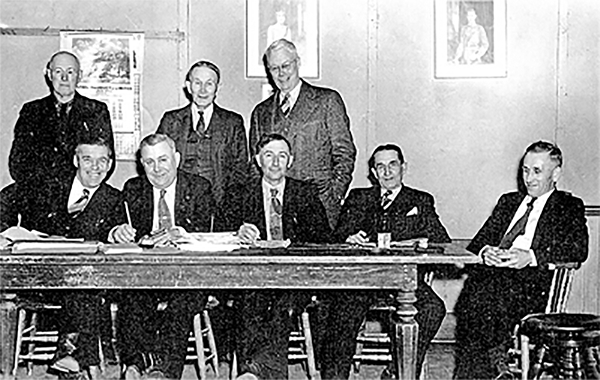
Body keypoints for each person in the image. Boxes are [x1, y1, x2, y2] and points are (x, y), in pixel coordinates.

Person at [453, 141, 589, 379]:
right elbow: (477, 242)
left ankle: (494, 365)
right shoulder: (508, 202)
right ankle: (494, 366)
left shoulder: (568, 206)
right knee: (478, 293)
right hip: (493, 279)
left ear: (555, 173)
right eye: (525, 170)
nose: (529, 178)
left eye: (537, 171)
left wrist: (531, 257)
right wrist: (486, 252)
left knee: (482, 295)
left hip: (534, 285)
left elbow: (578, 249)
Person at [320, 144, 450, 379]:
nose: (387, 172)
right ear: (373, 172)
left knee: (434, 308)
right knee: (340, 310)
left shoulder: (420, 200)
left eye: (393, 165)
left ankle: (399, 370)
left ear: (403, 167)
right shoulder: (359, 197)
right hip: (362, 281)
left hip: (404, 283)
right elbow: (336, 237)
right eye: (380, 167)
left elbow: (441, 240)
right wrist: (349, 238)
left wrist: (420, 241)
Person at [6, 137, 125, 379]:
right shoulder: (47, 185)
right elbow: (6, 200)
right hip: (40, 279)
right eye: (87, 159)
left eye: (103, 160)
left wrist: (117, 233)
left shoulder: (114, 199)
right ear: (75, 160)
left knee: (83, 287)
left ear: (110, 164)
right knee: (83, 292)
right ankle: (84, 363)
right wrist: (4, 231)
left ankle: (68, 358)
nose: (95, 167)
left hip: (86, 283)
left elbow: (117, 232)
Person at [221, 133, 330, 380]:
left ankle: (253, 371)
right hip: (253, 276)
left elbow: (323, 239)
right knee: (250, 302)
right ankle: (257, 371)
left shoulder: (305, 193)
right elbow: (219, 237)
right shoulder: (239, 193)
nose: (275, 162)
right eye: (268, 155)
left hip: (295, 277)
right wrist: (237, 232)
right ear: (258, 160)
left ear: (290, 161)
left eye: (282, 156)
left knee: (283, 306)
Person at [110, 133, 214, 379]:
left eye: (163, 160)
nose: (157, 169)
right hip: (146, 275)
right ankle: (134, 365)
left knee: (181, 304)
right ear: (141, 164)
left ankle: (164, 371)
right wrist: (117, 231)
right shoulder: (133, 189)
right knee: (132, 297)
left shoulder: (199, 187)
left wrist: (182, 235)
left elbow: (210, 236)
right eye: (149, 162)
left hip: (189, 277)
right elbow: (116, 227)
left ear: (176, 159)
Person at [249, 38, 356, 230]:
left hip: (320, 204)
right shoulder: (261, 112)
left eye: (286, 66)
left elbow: (344, 154)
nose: (281, 74)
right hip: (275, 208)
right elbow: (255, 165)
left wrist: (333, 196)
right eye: (274, 68)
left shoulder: (327, 101)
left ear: (298, 63)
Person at [9, 51, 114, 187]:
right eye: (58, 72)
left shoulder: (96, 110)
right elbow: (18, 163)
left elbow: (106, 160)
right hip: (41, 193)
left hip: (80, 193)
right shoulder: (32, 111)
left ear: (79, 76)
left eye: (70, 72)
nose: (64, 78)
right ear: (49, 74)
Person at [156, 60, 248, 209]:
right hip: (181, 207)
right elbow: (159, 163)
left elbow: (240, 169)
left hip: (220, 207)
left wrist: (228, 207)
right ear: (188, 86)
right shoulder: (171, 121)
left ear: (218, 87)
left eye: (209, 84)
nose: (203, 90)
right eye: (197, 83)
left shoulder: (232, 122)